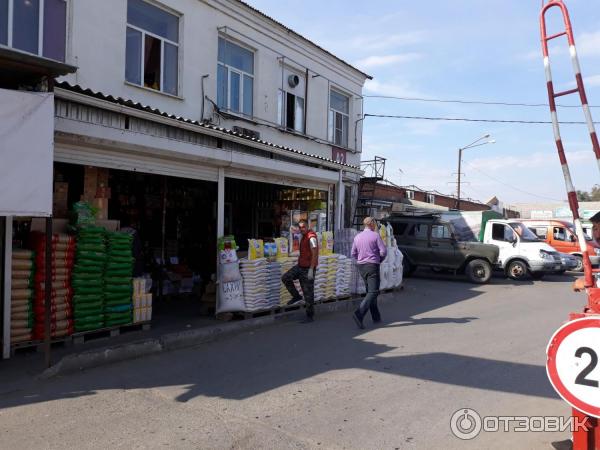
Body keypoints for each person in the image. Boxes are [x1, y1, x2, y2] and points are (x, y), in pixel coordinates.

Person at [351, 217, 387, 329]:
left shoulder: (357, 237)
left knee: (370, 291)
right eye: (375, 224)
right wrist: (379, 260)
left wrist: (361, 259)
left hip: (361, 266)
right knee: (373, 291)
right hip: (372, 265)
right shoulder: (375, 235)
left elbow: (353, 253)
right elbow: (383, 251)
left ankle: (376, 316)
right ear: (372, 224)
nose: (375, 226)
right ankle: (359, 314)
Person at [281, 220, 319, 323]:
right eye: (300, 227)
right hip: (300, 266)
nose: (302, 229)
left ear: (308, 226)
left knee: (308, 293)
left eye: (303, 227)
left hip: (308, 269)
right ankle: (296, 296)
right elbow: (294, 231)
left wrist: (311, 269)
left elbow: (314, 253)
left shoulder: (311, 237)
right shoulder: (303, 235)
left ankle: (309, 316)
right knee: (285, 277)